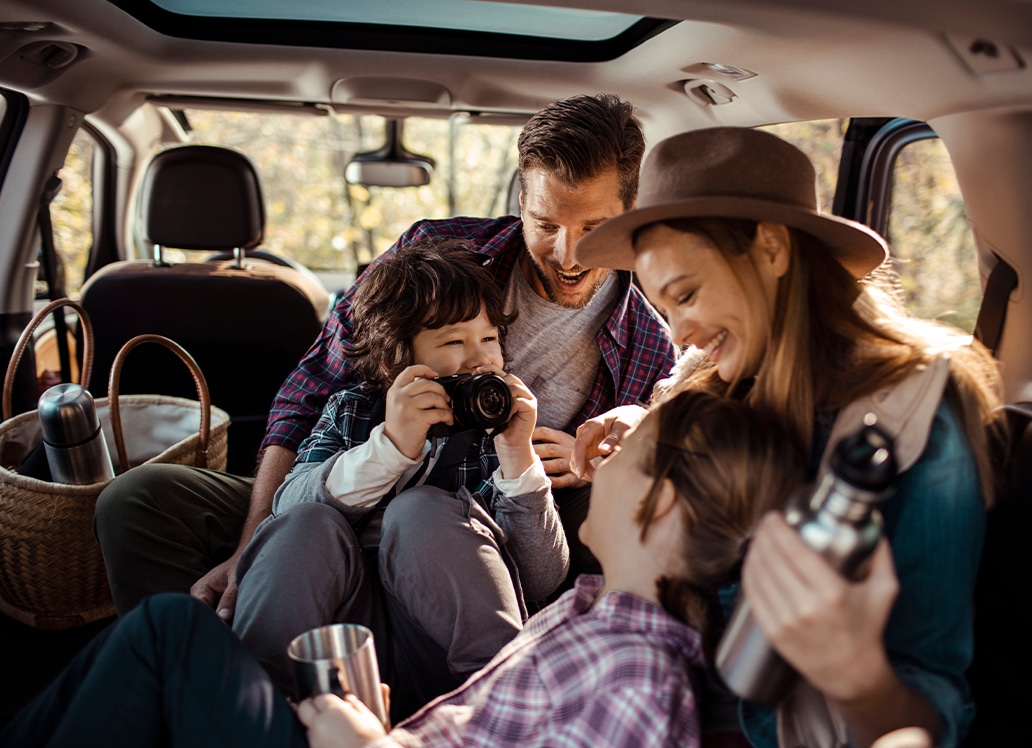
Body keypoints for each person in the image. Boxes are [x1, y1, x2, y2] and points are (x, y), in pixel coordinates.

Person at [93, 93, 676, 621]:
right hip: (352, 478)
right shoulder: (438, 254)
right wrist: (254, 545)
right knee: (138, 500)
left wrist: (591, 461)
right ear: (521, 203)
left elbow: (631, 472)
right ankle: (192, 656)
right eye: (546, 224)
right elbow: (309, 392)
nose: (568, 254)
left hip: (490, 520)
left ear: (630, 212)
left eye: (595, 227)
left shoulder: (652, 339)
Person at [3, 391, 808, 748]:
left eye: (625, 454)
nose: (597, 458)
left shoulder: (639, 672)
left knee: (170, 634)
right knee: (174, 626)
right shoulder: (598, 613)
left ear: (659, 505)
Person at [570, 126, 1009, 748]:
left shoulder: (914, 415)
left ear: (772, 249)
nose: (677, 332)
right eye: (666, 308)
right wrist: (648, 434)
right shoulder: (720, 379)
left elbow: (931, 701)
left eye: (687, 294)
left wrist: (855, 674)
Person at [232, 237, 568, 720]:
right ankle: (256, 711)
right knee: (304, 523)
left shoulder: (495, 436)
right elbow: (284, 509)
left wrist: (517, 457)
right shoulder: (351, 410)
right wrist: (389, 447)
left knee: (422, 510)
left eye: (490, 338)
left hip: (452, 668)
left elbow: (540, 578)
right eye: (454, 341)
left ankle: (508, 713)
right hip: (342, 648)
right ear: (399, 357)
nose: (482, 360)